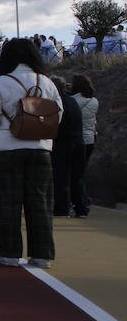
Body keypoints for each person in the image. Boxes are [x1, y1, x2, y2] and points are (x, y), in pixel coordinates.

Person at [0, 38, 62, 268]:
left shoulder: (0, 83)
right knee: (41, 202)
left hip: (6, 147)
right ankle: (42, 254)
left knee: (8, 202)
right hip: (40, 149)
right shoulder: (47, 82)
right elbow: (58, 113)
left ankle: (10, 254)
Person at [49, 77, 84, 218]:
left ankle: (62, 207)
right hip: (79, 140)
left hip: (64, 142)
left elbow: (56, 124)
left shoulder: (57, 103)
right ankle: (81, 207)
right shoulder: (73, 101)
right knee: (78, 177)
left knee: (61, 176)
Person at [70, 75, 98, 217]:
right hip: (90, 139)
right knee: (81, 173)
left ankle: (77, 202)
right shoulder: (94, 101)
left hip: (77, 140)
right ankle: (83, 200)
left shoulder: (73, 101)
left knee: (73, 174)